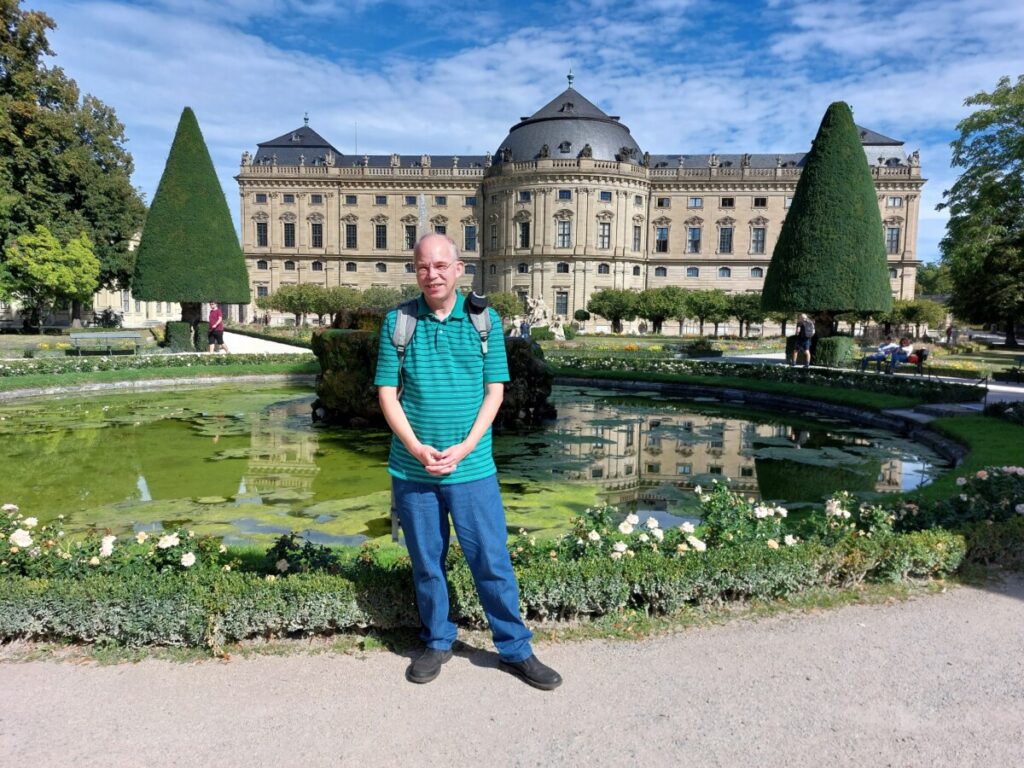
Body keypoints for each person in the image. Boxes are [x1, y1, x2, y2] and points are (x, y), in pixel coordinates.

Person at [374, 233, 562, 691]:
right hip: (414, 469)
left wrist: (466, 446)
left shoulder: (485, 321)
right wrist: (418, 448)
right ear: (415, 270)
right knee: (426, 561)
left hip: (472, 468)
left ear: (459, 269)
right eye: (422, 266)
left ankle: (515, 647)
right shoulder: (398, 321)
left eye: (441, 266)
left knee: (491, 559)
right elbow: (386, 394)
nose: (431, 274)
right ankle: (437, 640)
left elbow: (495, 391)